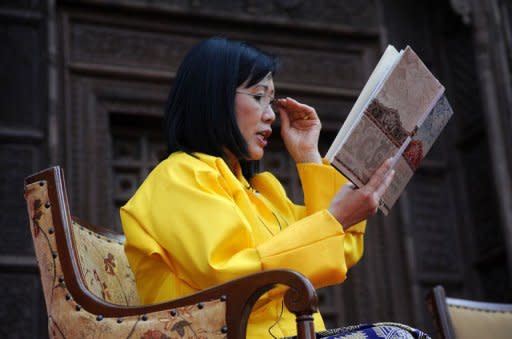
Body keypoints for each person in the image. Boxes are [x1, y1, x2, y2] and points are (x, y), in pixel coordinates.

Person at [120, 37, 429, 339]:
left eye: (272, 100)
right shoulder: (178, 177)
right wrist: (334, 220)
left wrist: (309, 156)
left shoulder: (261, 188)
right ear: (213, 97)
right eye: (258, 97)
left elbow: (339, 251)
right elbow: (227, 278)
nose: (270, 115)